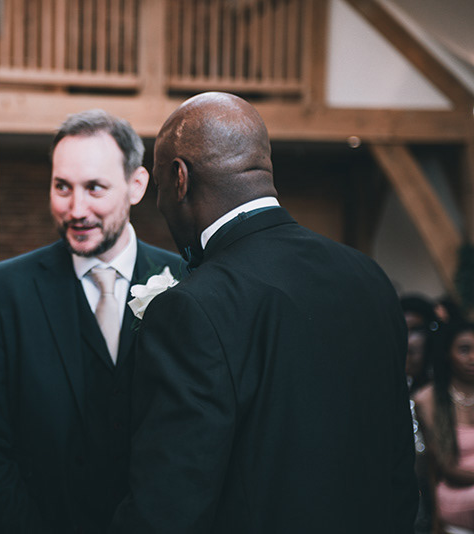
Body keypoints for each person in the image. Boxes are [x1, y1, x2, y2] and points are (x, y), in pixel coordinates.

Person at [110, 92, 418, 533]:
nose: (160, 204)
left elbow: (170, 506)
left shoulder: (192, 307)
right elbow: (399, 468)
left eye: (158, 187)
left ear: (180, 178)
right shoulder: (368, 277)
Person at [0, 109, 183, 533]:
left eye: (95, 188)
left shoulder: (187, 282)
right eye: (62, 187)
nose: (76, 209)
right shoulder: (3, 290)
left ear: (136, 186)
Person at [415, 321, 474, 533]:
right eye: (464, 350)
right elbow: (445, 466)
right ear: (448, 353)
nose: (473, 358)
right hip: (457, 493)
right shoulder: (430, 398)